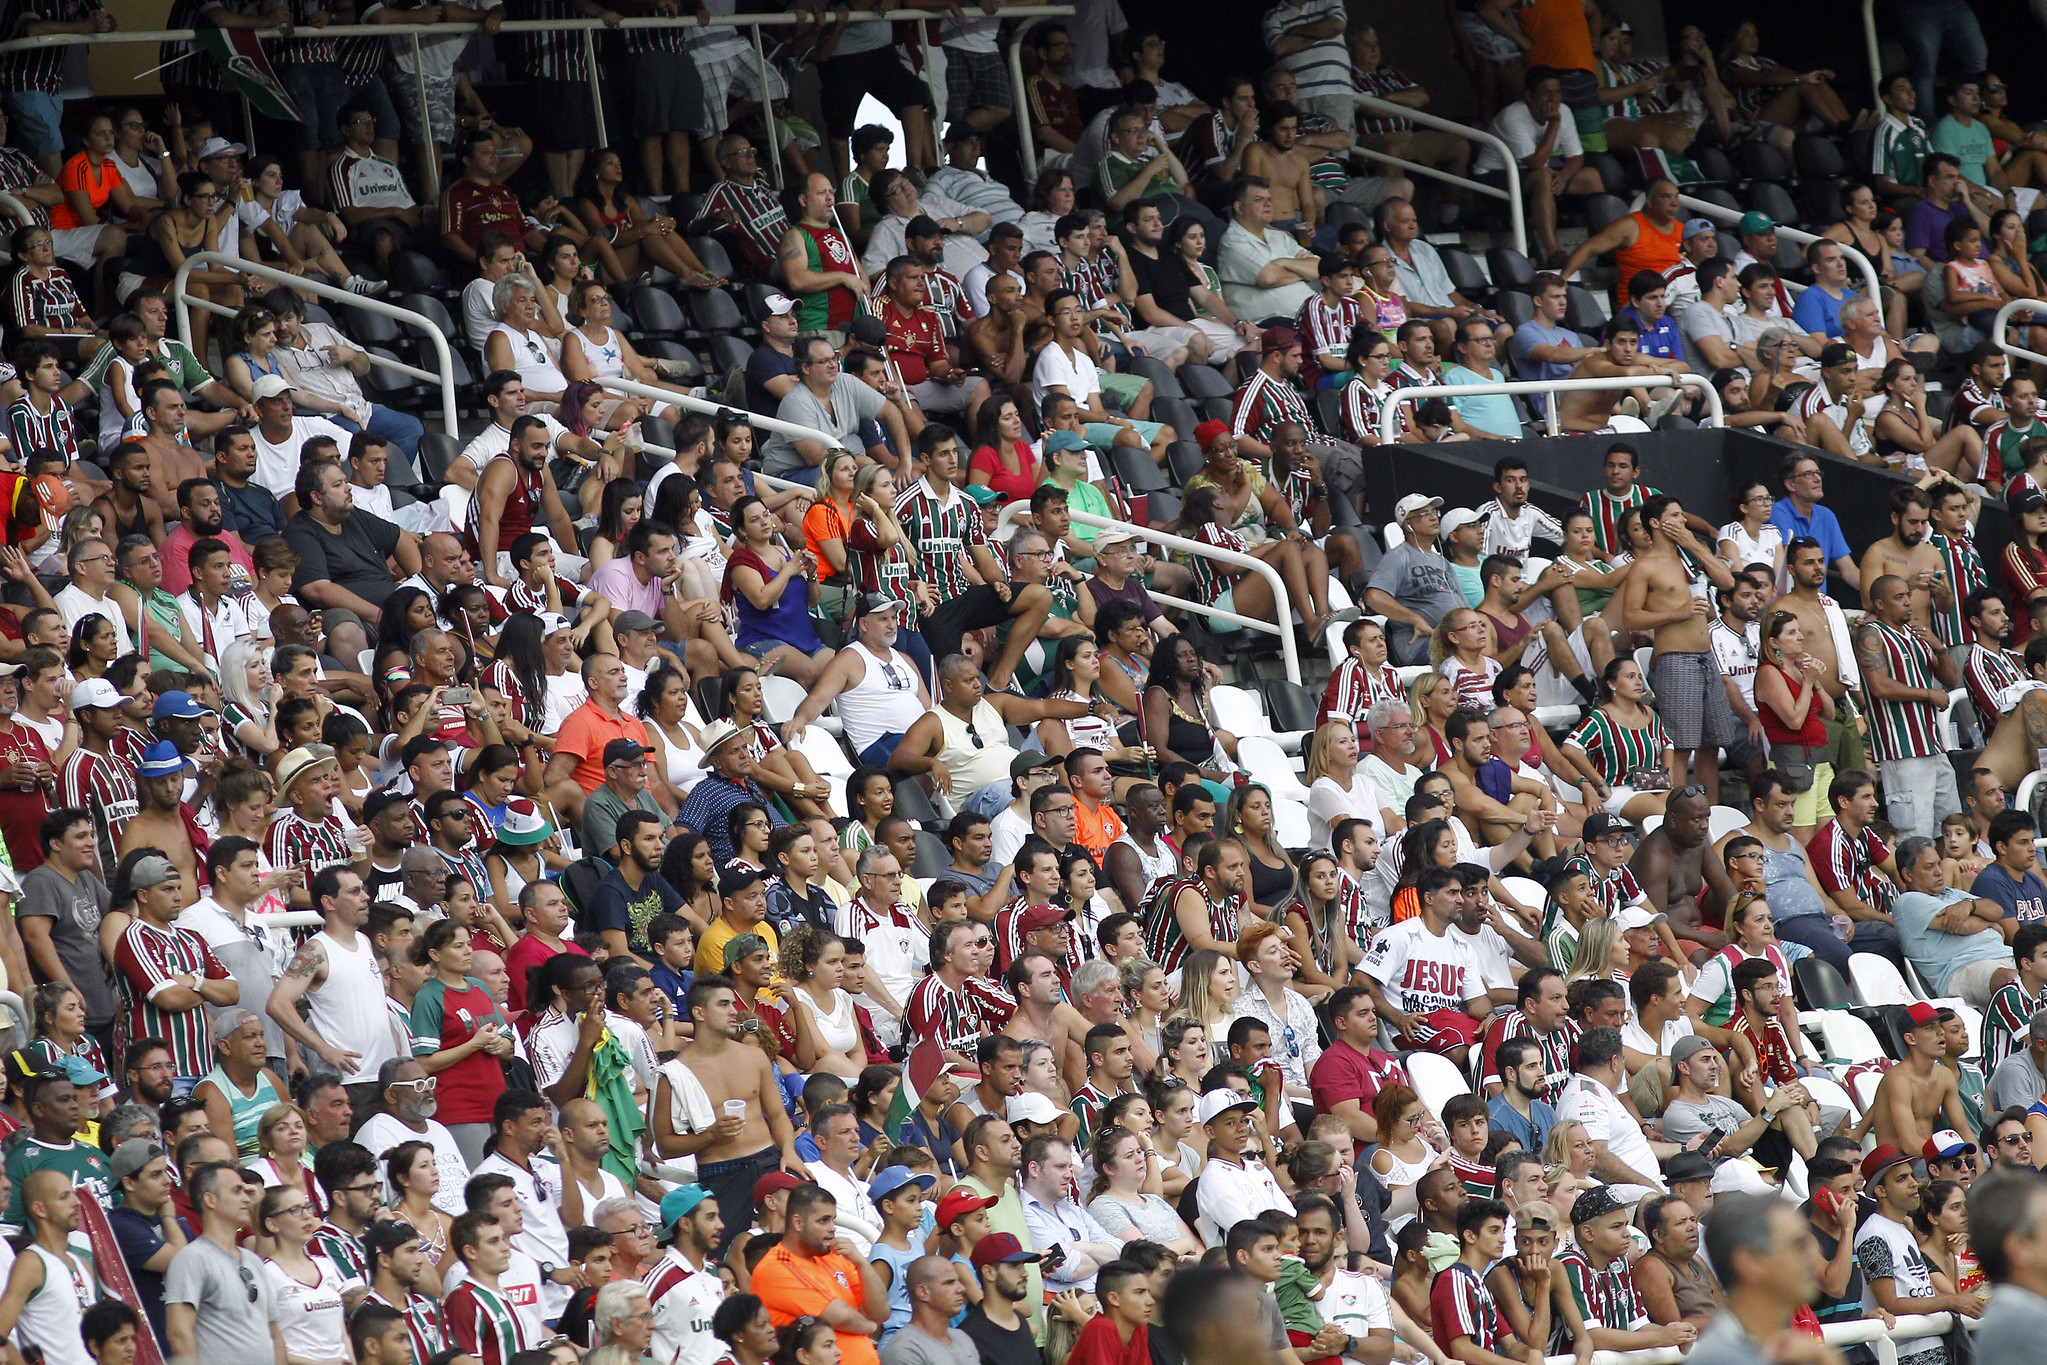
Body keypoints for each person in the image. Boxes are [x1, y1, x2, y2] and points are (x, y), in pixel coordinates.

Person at [165, 1162, 286, 1365]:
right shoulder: (191, 1258)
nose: (246, 1198)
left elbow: (274, 1335)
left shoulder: (253, 1260)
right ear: (210, 1200)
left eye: (247, 1191)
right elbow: (179, 1334)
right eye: (237, 1191)